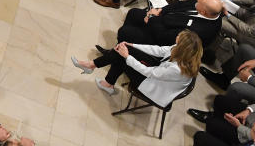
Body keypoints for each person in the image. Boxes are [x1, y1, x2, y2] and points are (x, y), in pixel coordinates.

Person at [71, 29, 201, 101]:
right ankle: (100, 76)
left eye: (179, 37)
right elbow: (159, 50)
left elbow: (148, 73)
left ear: (183, 47)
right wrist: (132, 45)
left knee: (122, 57)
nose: (176, 36)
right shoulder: (184, 51)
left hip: (155, 86)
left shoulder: (177, 69)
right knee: (123, 51)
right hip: (159, 73)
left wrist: (127, 56)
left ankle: (92, 67)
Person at [115, 0, 223, 47]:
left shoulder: (199, 31)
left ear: (203, 12)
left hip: (163, 40)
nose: (195, 3)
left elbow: (166, 37)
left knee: (125, 32)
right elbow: (179, 5)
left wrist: (152, 18)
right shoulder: (203, 6)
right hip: (163, 19)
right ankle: (121, 48)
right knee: (133, 12)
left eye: (198, 3)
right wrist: (160, 10)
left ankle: (122, 50)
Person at [186, 91, 255, 146]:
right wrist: (249, 110)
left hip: (247, 135)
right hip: (253, 115)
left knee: (211, 124)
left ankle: (215, 122)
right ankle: (215, 116)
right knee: (219, 99)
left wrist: (238, 126)